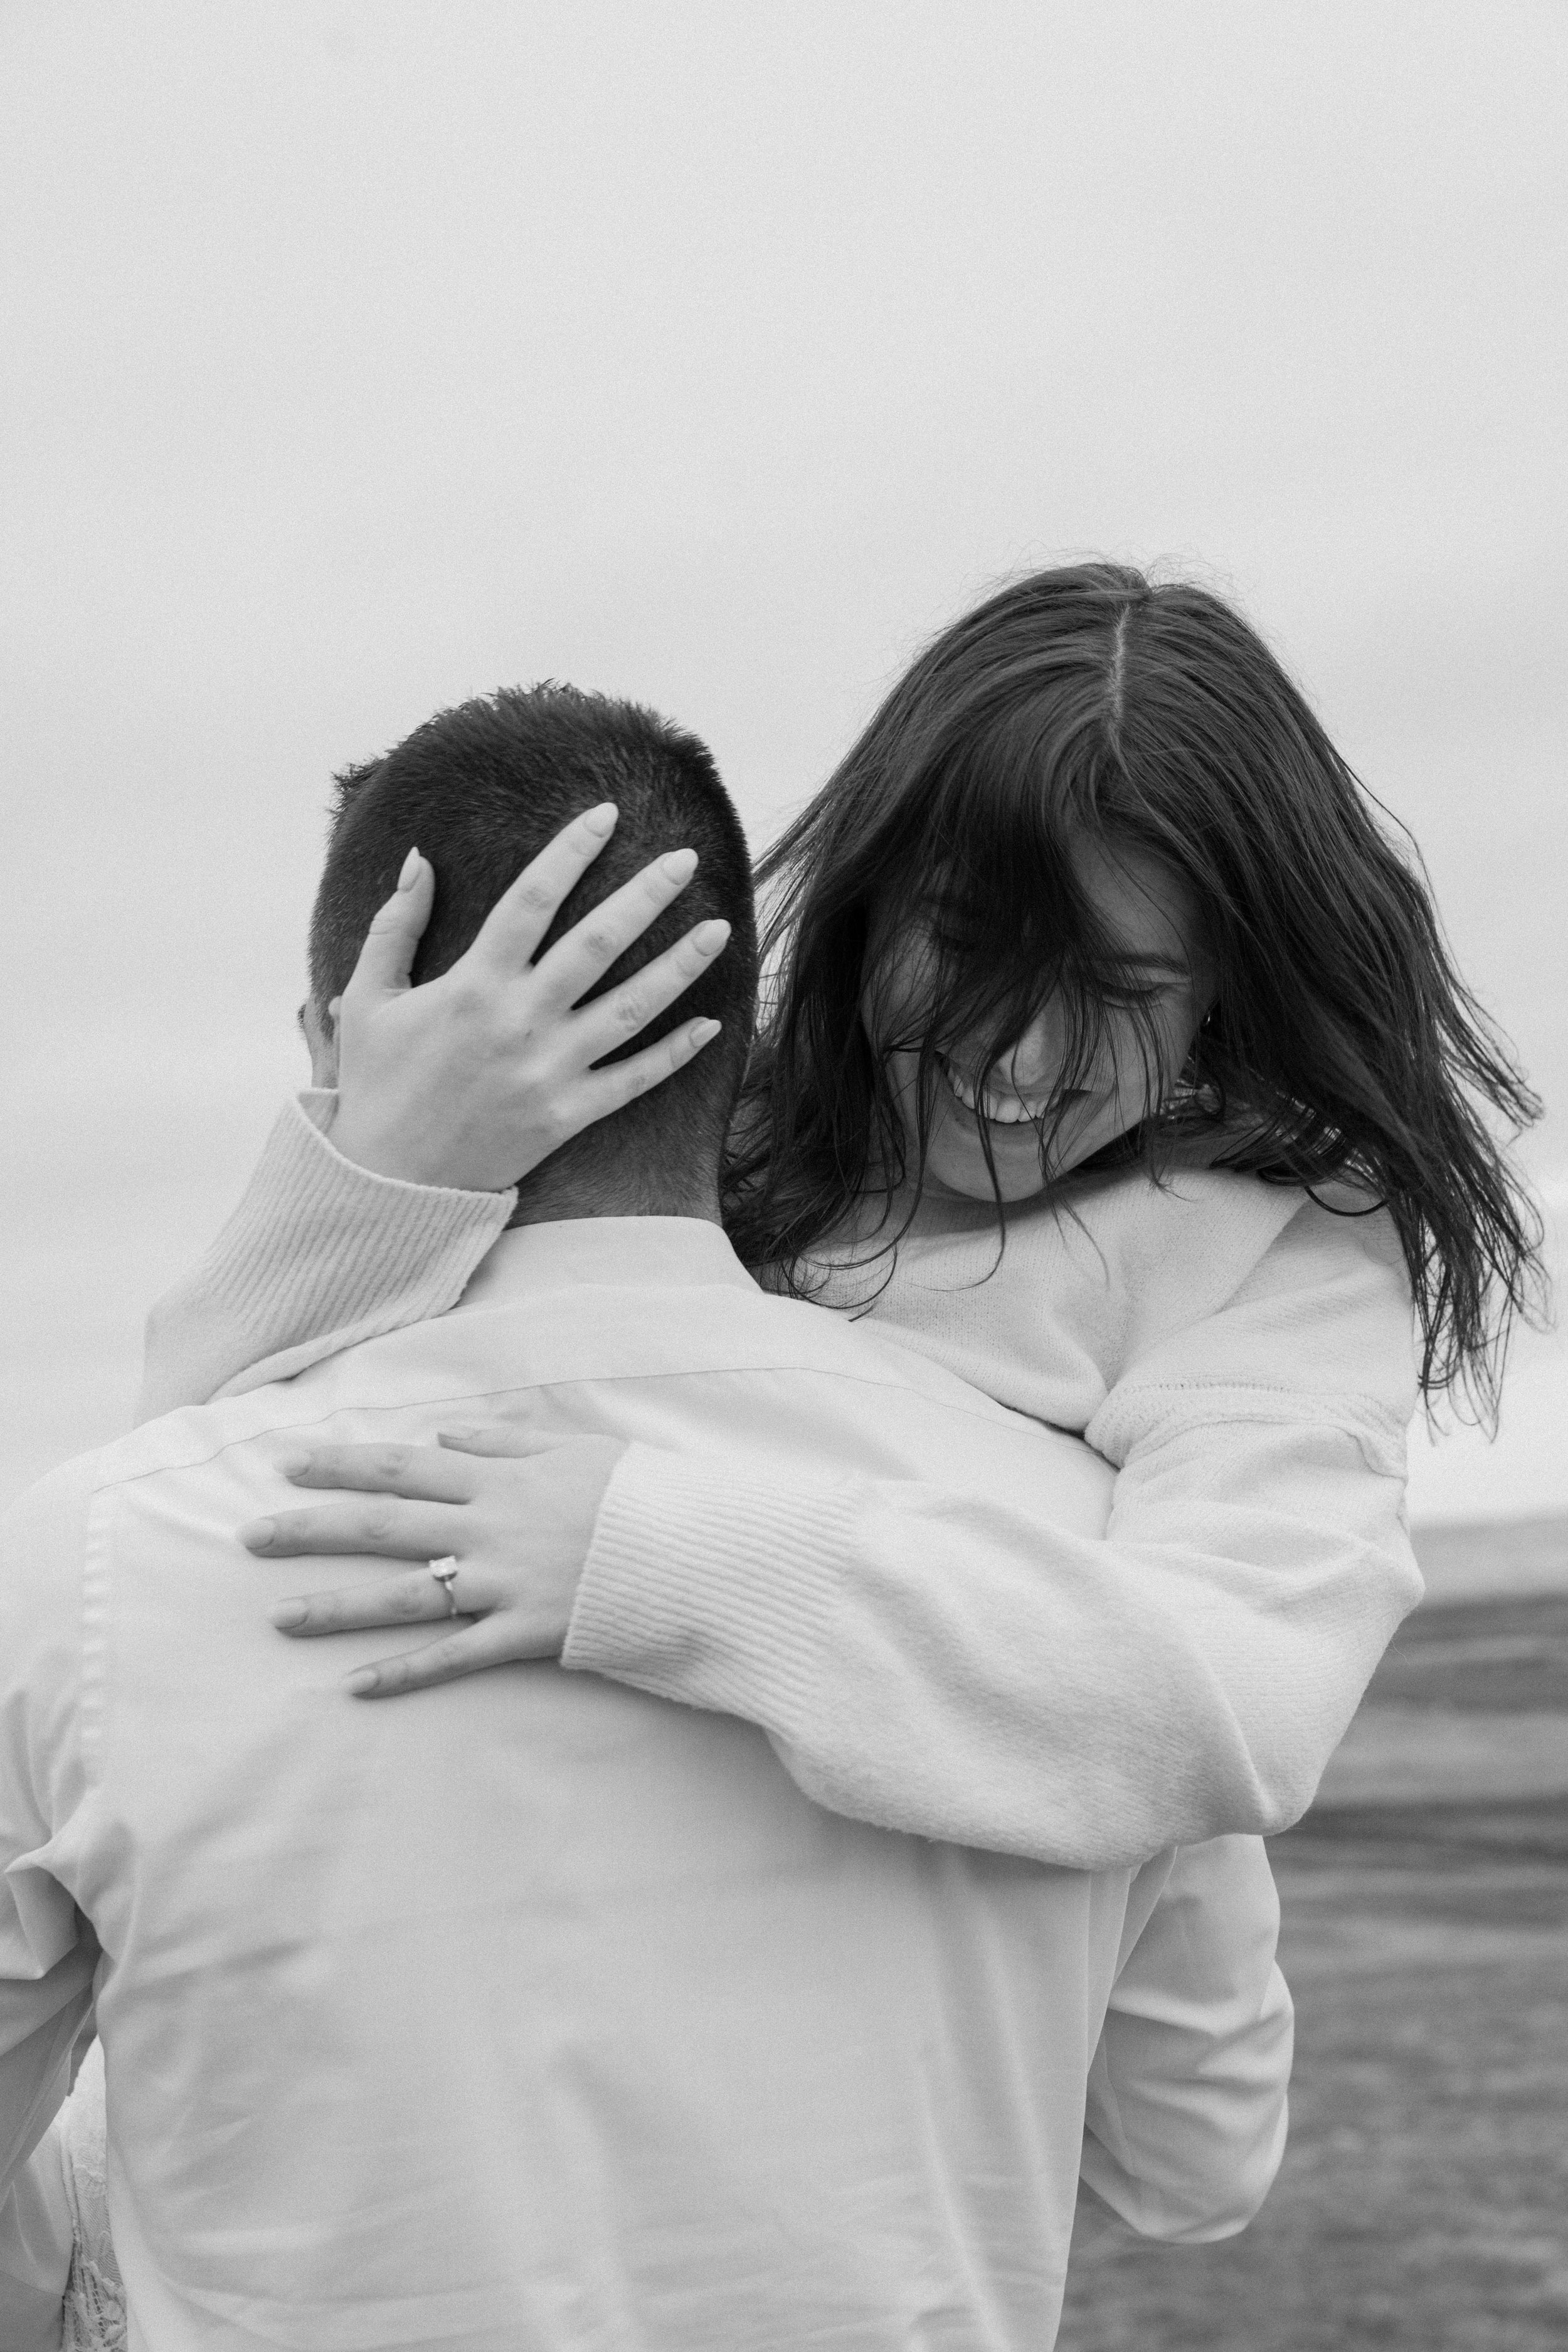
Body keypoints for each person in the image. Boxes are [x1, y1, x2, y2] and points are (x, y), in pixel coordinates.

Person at [0, 687, 1293, 2350]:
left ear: (332, 1045)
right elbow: (1192, 2165)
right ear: (736, 1040)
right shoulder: (1092, 1554)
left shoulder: (92, 1559)